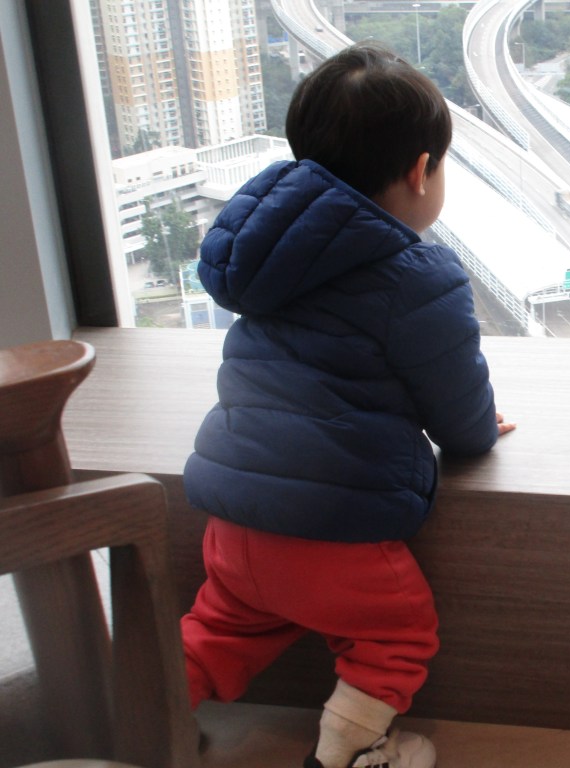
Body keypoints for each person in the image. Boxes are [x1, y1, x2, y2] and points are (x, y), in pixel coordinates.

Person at [179, 41, 515, 768]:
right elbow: (458, 409)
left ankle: (136, 718)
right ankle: (349, 755)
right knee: (396, 635)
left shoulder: (265, 254)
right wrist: (479, 432)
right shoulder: (417, 274)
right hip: (330, 531)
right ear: (421, 170)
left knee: (220, 631)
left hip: (233, 525)